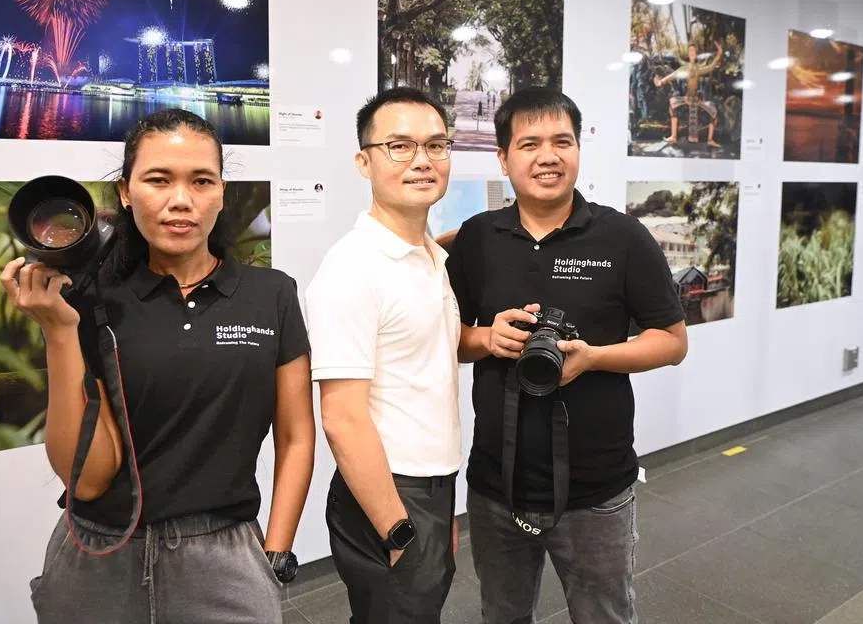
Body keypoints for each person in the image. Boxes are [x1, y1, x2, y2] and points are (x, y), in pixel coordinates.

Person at [0, 109, 315, 623]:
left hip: (225, 555)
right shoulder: (91, 300)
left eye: (201, 181)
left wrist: (275, 550)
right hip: (99, 557)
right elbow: (87, 479)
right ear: (126, 192)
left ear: (221, 192)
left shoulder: (271, 294)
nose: (181, 201)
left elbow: (297, 436)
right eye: (158, 180)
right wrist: (59, 331)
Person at [445, 87, 689, 624]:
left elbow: (672, 342)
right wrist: (488, 339)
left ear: (579, 150)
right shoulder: (477, 238)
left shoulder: (622, 236)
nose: (548, 156)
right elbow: (445, 339)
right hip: (496, 483)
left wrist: (594, 357)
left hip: (597, 485)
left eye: (562, 141)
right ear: (503, 157)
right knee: (502, 614)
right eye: (529, 143)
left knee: (604, 614)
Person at [306, 87, 462, 623]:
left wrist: (443, 504)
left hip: (430, 483)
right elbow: (341, 418)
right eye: (399, 146)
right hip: (388, 490)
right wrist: (399, 529)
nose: (422, 160)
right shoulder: (353, 268)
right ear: (364, 161)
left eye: (436, 145)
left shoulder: (428, 255)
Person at [653, 40, 724, 147]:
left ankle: (710, 140)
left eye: (693, 51)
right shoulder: (684, 68)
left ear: (695, 54)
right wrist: (661, 82)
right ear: (688, 53)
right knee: (672, 105)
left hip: (696, 100)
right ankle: (674, 136)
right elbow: (673, 75)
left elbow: (712, 66)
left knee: (714, 113)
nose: (691, 52)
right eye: (690, 50)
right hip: (686, 98)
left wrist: (720, 53)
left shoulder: (699, 68)